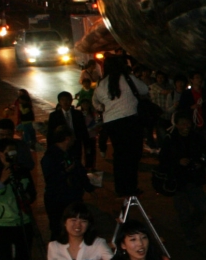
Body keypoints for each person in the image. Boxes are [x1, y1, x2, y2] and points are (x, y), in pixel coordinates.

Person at [93, 54, 149, 197]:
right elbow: (144, 90)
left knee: (119, 155)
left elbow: (96, 102)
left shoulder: (102, 83)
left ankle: (120, 187)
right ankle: (131, 186)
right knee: (133, 155)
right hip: (130, 120)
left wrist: (103, 108)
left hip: (112, 122)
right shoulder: (128, 78)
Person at [158, 112, 206, 239]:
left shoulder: (197, 138)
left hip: (194, 178)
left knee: (201, 206)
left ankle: (190, 228)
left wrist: (200, 163)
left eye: (188, 123)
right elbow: (163, 159)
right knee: (183, 211)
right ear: (176, 125)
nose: (186, 126)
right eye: (182, 124)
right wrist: (178, 162)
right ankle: (189, 235)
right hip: (178, 180)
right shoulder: (170, 139)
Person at [40, 125, 90, 242]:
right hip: (59, 199)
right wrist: (66, 172)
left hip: (68, 197)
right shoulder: (51, 157)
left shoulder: (67, 153)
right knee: (59, 230)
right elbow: (51, 179)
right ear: (67, 138)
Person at [47, 91, 91, 169]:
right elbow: (50, 133)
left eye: (68, 100)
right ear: (59, 102)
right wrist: (50, 149)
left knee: (76, 164)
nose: (65, 102)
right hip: (62, 145)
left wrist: (87, 145)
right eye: (63, 100)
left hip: (76, 143)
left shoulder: (78, 114)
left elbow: (83, 130)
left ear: (71, 101)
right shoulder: (54, 116)